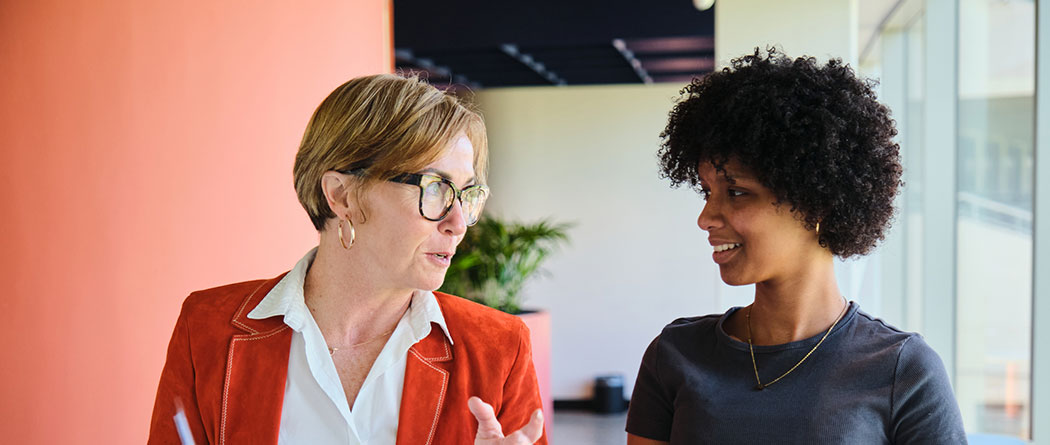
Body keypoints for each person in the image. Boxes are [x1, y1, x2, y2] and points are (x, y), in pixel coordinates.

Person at [148, 74, 546, 445]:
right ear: (342, 196)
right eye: (434, 188)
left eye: (466, 195)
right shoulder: (207, 330)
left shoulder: (499, 350)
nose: (458, 223)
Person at [625, 49, 967, 444]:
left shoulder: (902, 371)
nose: (706, 218)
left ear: (815, 202)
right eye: (707, 191)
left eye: (736, 192)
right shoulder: (675, 355)